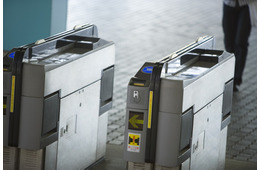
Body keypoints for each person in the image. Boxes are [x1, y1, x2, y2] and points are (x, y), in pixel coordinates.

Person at [222, 0, 256, 91]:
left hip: (246, 5)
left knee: (240, 42)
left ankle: (236, 79)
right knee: (229, 42)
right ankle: (229, 77)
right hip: (228, 4)